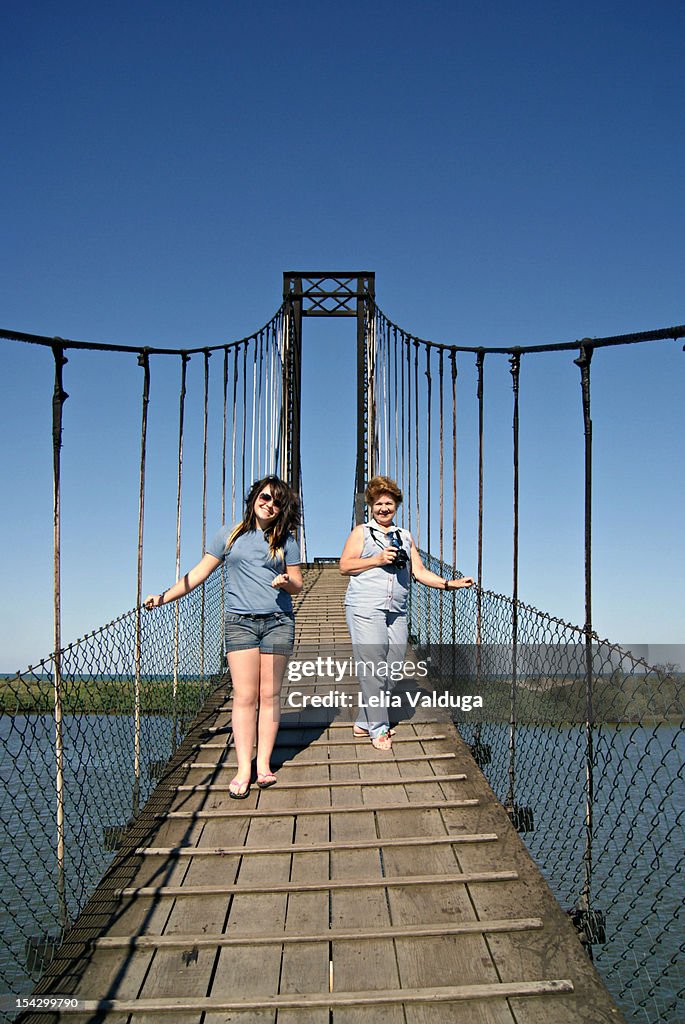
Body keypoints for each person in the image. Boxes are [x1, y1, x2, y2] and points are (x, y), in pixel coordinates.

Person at [145, 475, 302, 798]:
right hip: (240, 623)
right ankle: (244, 768)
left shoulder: (286, 540)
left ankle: (264, 766)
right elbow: (200, 573)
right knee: (245, 696)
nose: (270, 504)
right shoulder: (229, 535)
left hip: (278, 622)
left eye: (276, 501)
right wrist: (163, 597)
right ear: (254, 498)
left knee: (270, 696)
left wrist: (285, 581)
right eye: (265, 497)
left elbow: (297, 585)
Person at [339, 475, 474, 750]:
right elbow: (344, 566)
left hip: (397, 610)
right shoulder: (361, 533)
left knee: (394, 667)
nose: (383, 508)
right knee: (374, 668)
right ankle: (379, 729)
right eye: (378, 504)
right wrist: (376, 559)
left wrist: (449, 584)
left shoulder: (405, 536)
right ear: (371, 506)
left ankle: (364, 721)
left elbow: (420, 572)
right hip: (366, 606)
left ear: (396, 505)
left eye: (388, 503)